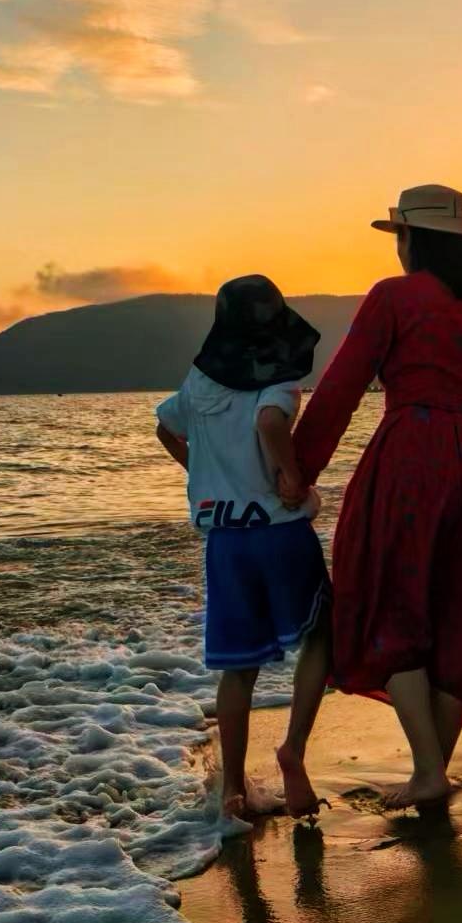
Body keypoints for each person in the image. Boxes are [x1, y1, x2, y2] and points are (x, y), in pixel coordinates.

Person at [292, 185, 462, 811]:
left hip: (416, 458)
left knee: (388, 605)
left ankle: (427, 771)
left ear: (410, 240)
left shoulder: (392, 297)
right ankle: (431, 774)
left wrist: (298, 470)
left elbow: (339, 389)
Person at [156, 276, 332, 823]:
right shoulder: (275, 378)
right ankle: (293, 752)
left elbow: (165, 425)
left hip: (225, 541)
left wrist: (202, 475)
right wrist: (290, 474)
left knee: (239, 668)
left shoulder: (201, 382)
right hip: (278, 532)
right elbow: (268, 421)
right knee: (324, 633)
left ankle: (233, 790)